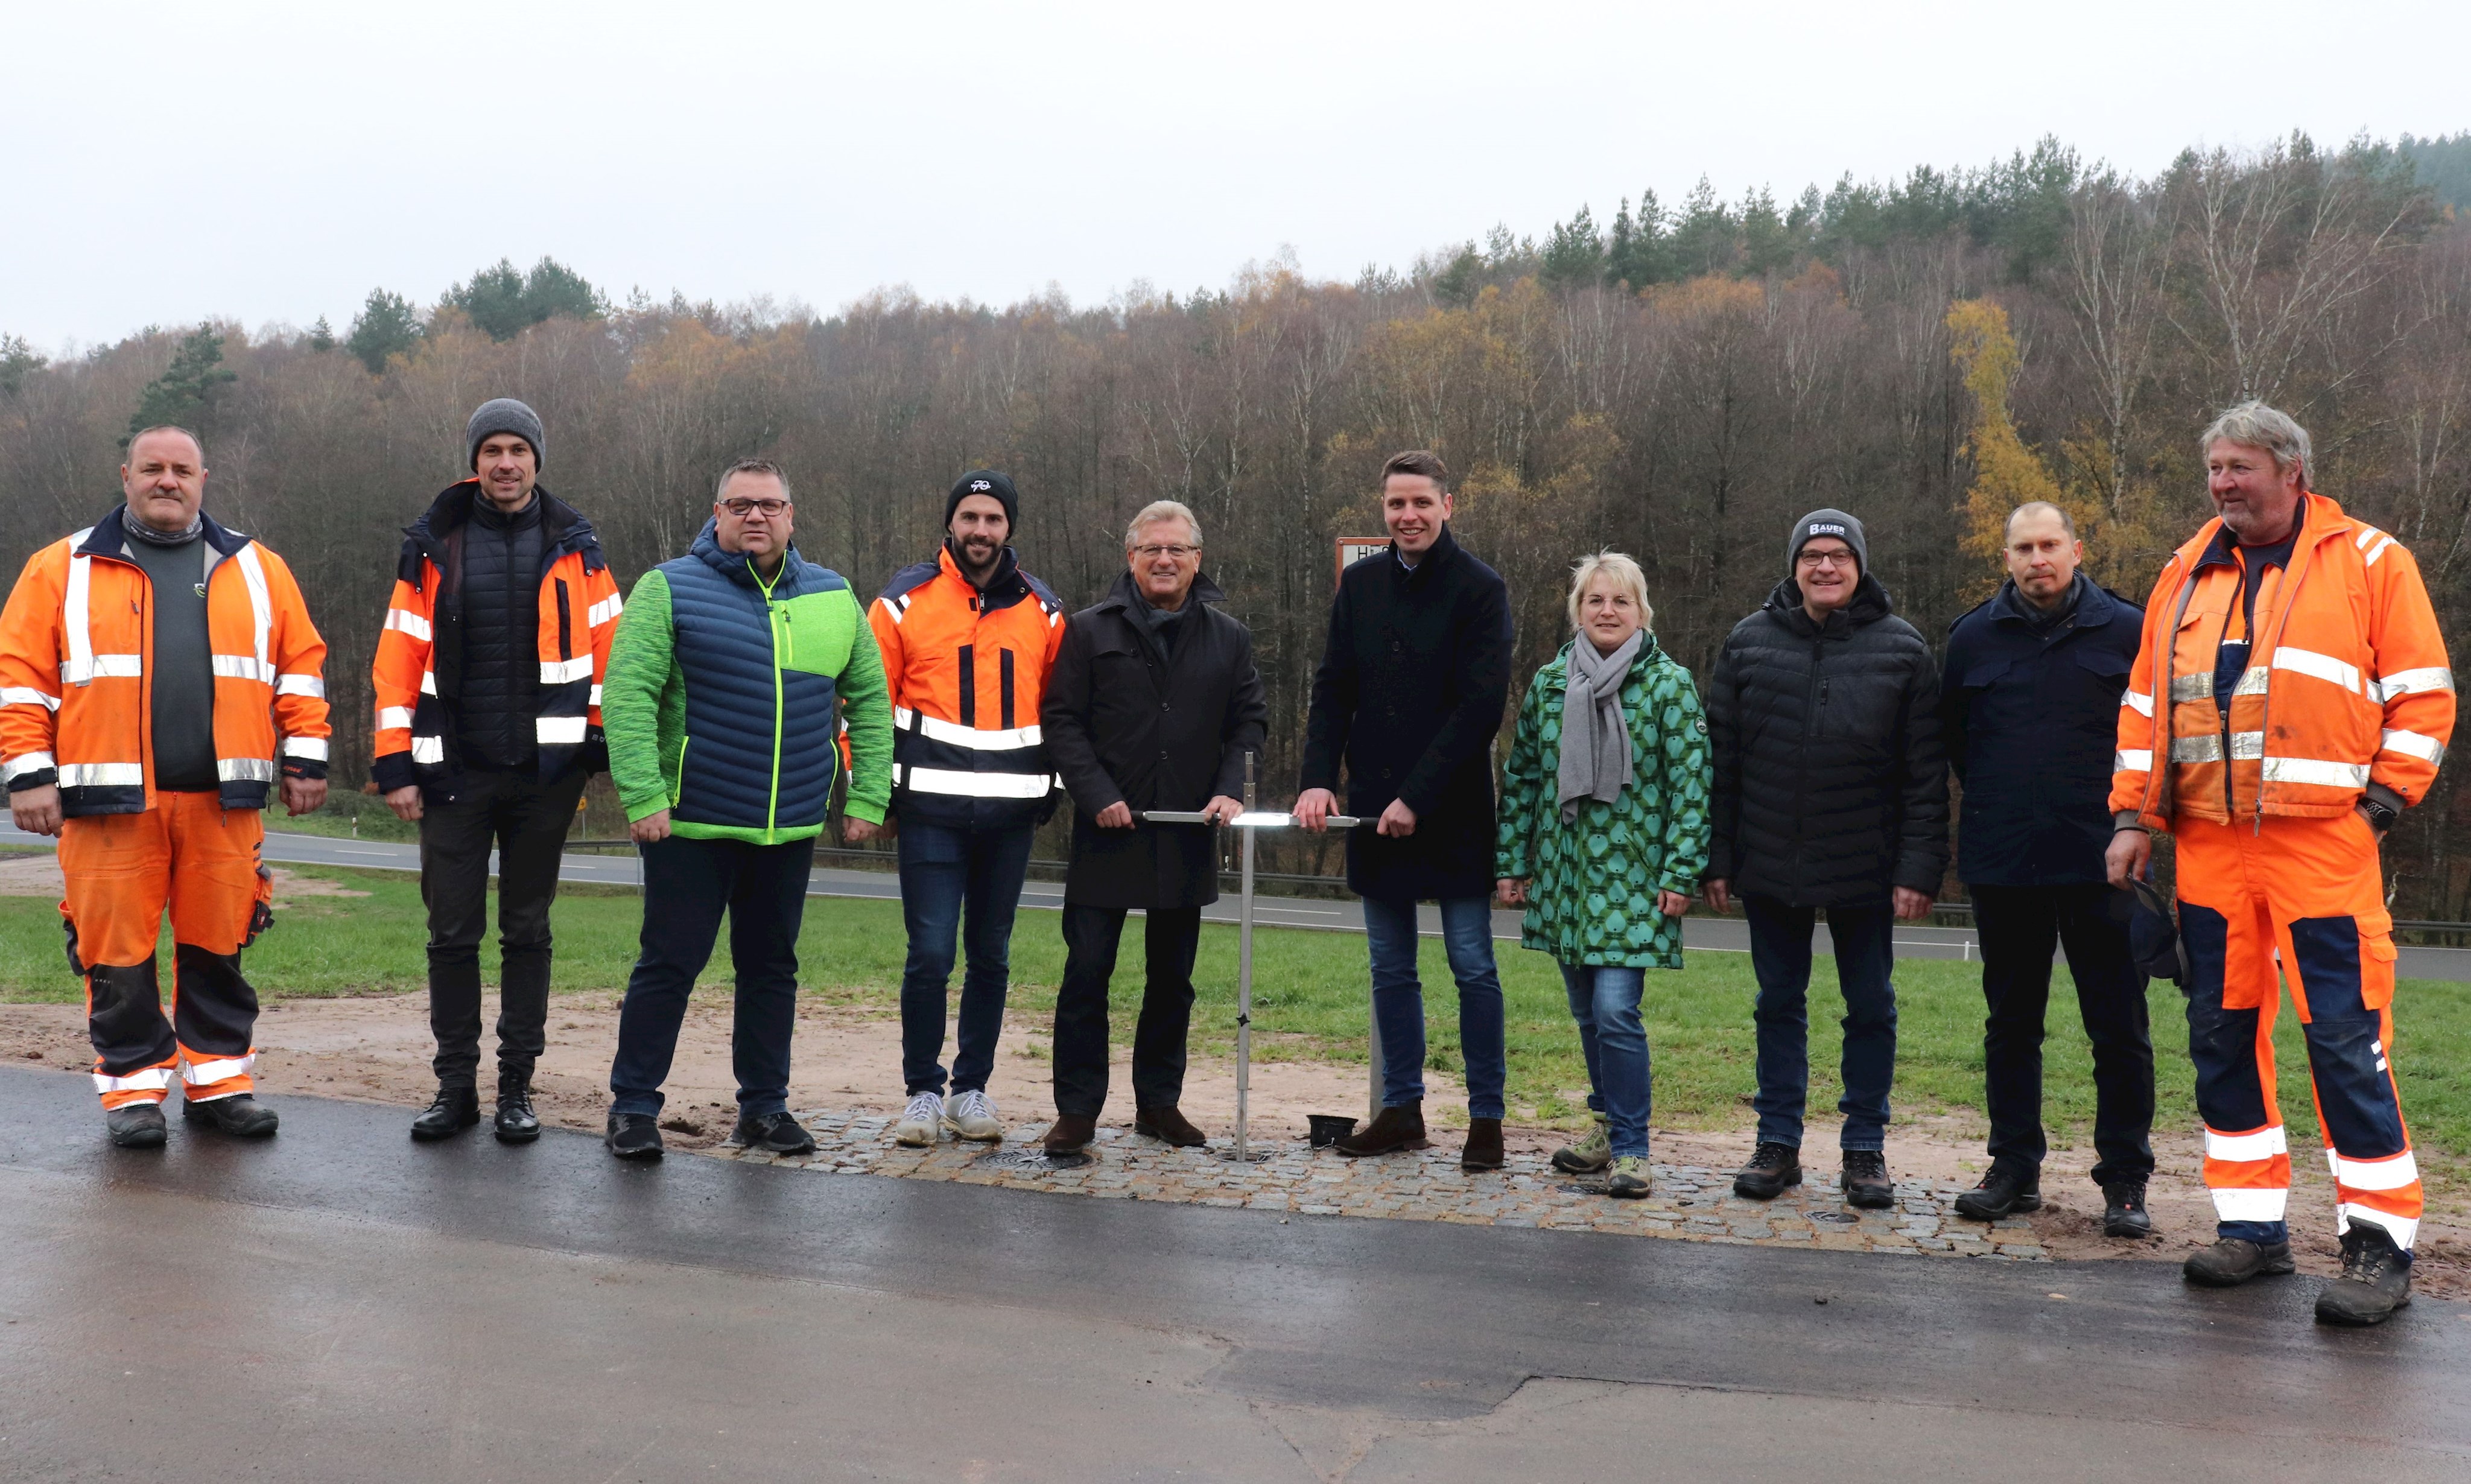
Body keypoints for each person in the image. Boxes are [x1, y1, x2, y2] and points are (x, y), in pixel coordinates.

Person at [2108, 402, 2452, 1327]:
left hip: (2322, 846)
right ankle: (2251, 1231)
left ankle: (2379, 1245)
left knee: (2344, 1040)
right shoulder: (2183, 573)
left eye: (2241, 467)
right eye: (2215, 467)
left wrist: (2383, 804)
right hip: (2210, 852)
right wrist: (2132, 820)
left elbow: (2424, 696)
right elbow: (2146, 711)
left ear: (2291, 470)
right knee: (2220, 1037)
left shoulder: (2373, 562)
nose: (2224, 483)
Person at [0, 426, 330, 1147]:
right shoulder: (62, 567)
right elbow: (20, 679)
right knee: (116, 956)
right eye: (152, 468)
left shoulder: (258, 568)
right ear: (125, 475)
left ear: (204, 478)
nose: (167, 481)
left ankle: (219, 1085)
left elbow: (299, 669)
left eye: (182, 470)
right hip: (107, 807)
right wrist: (28, 777)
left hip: (223, 802)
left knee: (219, 947)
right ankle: (133, 1095)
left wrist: (307, 760)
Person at [599, 460, 893, 1161]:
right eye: (740, 505)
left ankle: (763, 1109)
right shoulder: (667, 587)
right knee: (669, 965)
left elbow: (872, 701)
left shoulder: (833, 595)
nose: (755, 516)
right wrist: (643, 796)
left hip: (788, 826)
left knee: (771, 971)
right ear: (718, 513)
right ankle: (634, 1108)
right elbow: (627, 695)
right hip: (689, 824)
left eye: (769, 505)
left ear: (792, 516)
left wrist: (869, 794)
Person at [372, 399, 624, 1145]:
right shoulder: (433, 546)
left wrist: (597, 750)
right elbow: (396, 665)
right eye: (493, 450)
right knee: (451, 934)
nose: (505, 463)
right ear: (474, 461)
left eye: (518, 449)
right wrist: (395, 768)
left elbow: (614, 655)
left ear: (537, 459)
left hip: (546, 778)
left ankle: (517, 1088)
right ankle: (456, 1089)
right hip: (451, 775)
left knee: (527, 931)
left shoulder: (580, 548)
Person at [1704, 509, 1946, 1209]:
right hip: (1770, 858)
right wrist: (1718, 857)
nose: (1825, 567)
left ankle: (1864, 1147)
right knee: (1777, 1002)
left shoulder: (1902, 650)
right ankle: (1776, 1143)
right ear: (1794, 566)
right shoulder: (1747, 643)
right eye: (1811, 556)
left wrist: (1918, 867)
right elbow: (1722, 764)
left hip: (1867, 867)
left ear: (1859, 565)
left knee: (1869, 1005)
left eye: (1839, 555)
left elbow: (1925, 775)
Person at [1296, 450, 1514, 1170]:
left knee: (1472, 966)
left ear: (1448, 505)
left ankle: (1486, 1119)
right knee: (1390, 969)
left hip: (1448, 811)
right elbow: (1332, 690)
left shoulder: (1481, 589)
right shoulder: (1359, 586)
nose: (1408, 516)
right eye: (1395, 505)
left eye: (1421, 502)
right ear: (1382, 510)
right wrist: (1317, 780)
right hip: (1370, 811)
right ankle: (1401, 1109)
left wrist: (1414, 798)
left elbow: (1479, 706)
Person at [1941, 503, 2155, 1234]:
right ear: (2005, 557)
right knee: (2010, 1025)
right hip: (2006, 863)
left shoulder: (2130, 630)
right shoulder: (1971, 638)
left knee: (2118, 1027)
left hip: (2106, 864)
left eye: (2050, 545)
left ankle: (2125, 1178)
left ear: (2076, 550)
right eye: (2024, 547)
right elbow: (1959, 747)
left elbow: (2152, 741)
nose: (2038, 558)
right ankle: (2013, 1167)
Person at [1038, 501, 1266, 1154]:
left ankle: (1158, 1105)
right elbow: (1061, 722)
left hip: (1185, 832)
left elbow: (1248, 724)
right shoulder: (1086, 631)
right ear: (1130, 559)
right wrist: (1096, 794)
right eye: (1150, 550)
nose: (1164, 560)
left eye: (1177, 550)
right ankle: (1077, 1112)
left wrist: (1229, 789)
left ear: (1198, 560)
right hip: (1107, 829)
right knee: (1087, 974)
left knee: (1172, 981)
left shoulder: (1228, 638)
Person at [1494, 552, 1709, 1199]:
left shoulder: (1670, 685)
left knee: (1617, 1013)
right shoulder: (1552, 683)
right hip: (1566, 885)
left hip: (1635, 884)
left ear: (1641, 611)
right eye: (1595, 601)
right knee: (1587, 1014)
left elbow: (1691, 787)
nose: (1607, 611)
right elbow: (1525, 777)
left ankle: (1634, 1149)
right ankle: (1606, 1129)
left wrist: (1681, 872)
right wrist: (1513, 863)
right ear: (1577, 611)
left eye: (1620, 601)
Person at [870, 471, 1066, 1148]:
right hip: (929, 812)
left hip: (1011, 819)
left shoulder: (1044, 611)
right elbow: (865, 708)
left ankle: (970, 1090)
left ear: (1009, 528)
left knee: (991, 955)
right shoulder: (902, 602)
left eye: (992, 519)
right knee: (929, 954)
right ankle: (922, 1092)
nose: (980, 530)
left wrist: (1053, 790)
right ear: (950, 523)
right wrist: (872, 794)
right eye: (969, 517)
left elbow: (1063, 712)